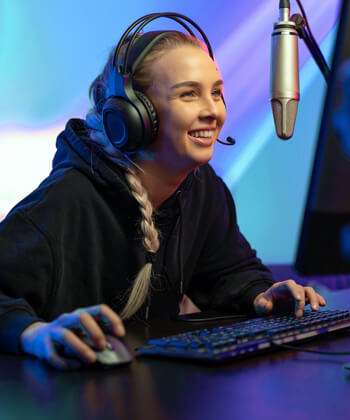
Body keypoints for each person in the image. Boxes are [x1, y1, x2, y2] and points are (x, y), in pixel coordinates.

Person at [0, 16, 326, 370]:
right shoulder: (66, 200)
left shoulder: (201, 187)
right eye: (189, 94)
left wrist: (262, 294)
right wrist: (32, 333)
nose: (212, 111)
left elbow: (228, 271)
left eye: (216, 92)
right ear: (134, 116)